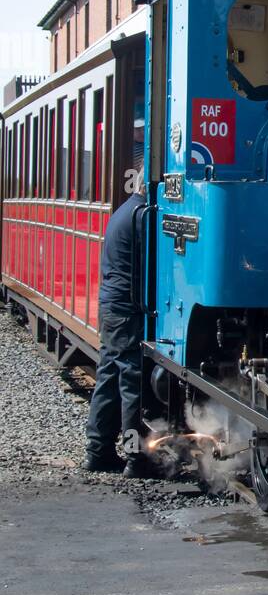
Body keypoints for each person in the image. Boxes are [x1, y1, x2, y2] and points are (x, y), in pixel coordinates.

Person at [84, 171, 147, 474]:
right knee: (131, 381)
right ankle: (136, 458)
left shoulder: (125, 210)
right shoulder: (141, 216)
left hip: (112, 305)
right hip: (125, 310)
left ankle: (97, 452)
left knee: (109, 378)